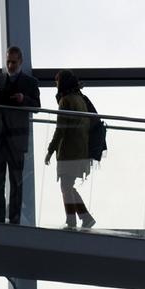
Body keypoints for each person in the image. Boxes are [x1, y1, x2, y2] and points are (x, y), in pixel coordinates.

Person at [0, 46, 41, 225]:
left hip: (16, 139)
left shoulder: (30, 83)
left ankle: (14, 219)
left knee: (16, 180)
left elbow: (37, 107)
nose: (10, 65)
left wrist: (23, 99)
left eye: (13, 62)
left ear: (20, 61)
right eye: (8, 61)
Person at [44, 70, 94, 230]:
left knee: (65, 187)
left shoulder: (65, 101)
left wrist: (50, 150)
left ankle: (72, 220)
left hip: (69, 151)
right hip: (81, 150)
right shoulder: (80, 99)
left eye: (57, 82)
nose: (56, 85)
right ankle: (85, 217)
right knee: (68, 186)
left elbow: (61, 130)